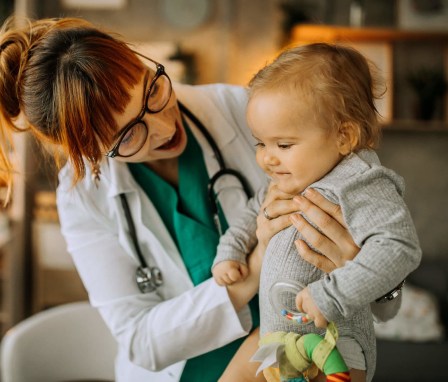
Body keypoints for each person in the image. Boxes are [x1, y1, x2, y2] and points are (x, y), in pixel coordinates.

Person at [0, 17, 398, 382]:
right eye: (129, 135)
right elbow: (140, 340)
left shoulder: (248, 111)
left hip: (298, 344)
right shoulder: (82, 195)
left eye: (151, 89)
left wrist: (362, 268)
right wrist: (253, 267)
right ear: (89, 151)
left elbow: (373, 231)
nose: (163, 125)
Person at [212, 43, 422, 382]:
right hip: (278, 341)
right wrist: (231, 251)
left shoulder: (360, 183)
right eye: (260, 143)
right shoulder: (288, 178)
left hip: (333, 345)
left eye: (283, 145)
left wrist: (333, 295)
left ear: (343, 136)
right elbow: (252, 214)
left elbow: (399, 248)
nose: (268, 158)